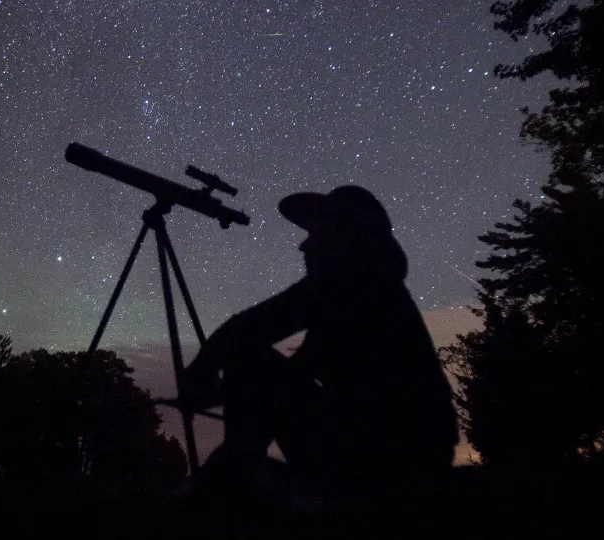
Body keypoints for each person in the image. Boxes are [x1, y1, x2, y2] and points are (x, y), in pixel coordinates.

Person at [182, 185, 458, 500]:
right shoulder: (371, 288)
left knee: (250, 362)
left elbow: (251, 329)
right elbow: (296, 366)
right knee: (257, 370)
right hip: (408, 455)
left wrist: (201, 374)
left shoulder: (350, 282)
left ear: (343, 238)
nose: (304, 245)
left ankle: (227, 486)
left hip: (393, 461)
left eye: (316, 234)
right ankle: (236, 477)